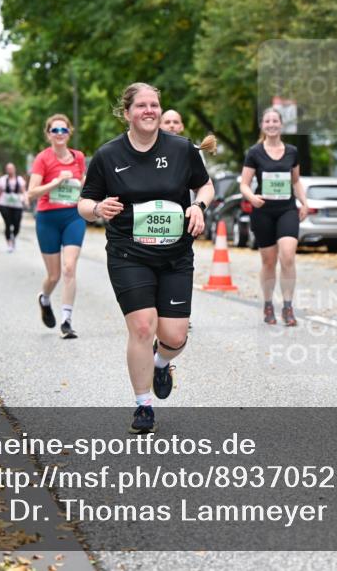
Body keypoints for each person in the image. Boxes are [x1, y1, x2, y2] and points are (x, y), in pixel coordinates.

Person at [78, 82, 213, 434]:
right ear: (127, 113)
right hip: (128, 253)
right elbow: (84, 203)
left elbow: (206, 185)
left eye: (155, 104)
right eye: (142, 105)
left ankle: (160, 362)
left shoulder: (182, 149)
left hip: (175, 255)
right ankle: (143, 406)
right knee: (141, 326)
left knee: (175, 336)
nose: (150, 110)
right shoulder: (108, 156)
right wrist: (97, 208)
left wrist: (198, 206)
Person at [240, 107, 309, 326]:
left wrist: (305, 203)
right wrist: (252, 198)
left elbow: (296, 180)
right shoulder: (254, 152)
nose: (271, 124)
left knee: (287, 256)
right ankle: (268, 304)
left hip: (287, 209)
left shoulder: (292, 152)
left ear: (281, 125)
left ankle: (288, 307)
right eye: (267, 121)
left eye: (275, 120)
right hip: (263, 212)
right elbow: (244, 184)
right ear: (263, 126)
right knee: (268, 262)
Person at [28, 114, 86, 339]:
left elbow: (83, 184)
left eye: (64, 130)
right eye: (55, 130)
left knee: (69, 267)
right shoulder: (43, 159)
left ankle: (66, 321)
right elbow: (31, 193)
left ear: (69, 132)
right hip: (48, 218)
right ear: (48, 134)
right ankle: (44, 298)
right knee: (54, 275)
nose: (59, 134)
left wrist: (82, 186)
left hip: (73, 215)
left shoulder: (78, 157)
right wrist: (56, 182)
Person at [0, 162, 28, 252]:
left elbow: (24, 191)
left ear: (14, 169)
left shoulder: (20, 179)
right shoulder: (2, 179)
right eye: (8, 168)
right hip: (4, 204)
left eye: (11, 168)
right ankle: (9, 243)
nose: (10, 170)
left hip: (17, 205)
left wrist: (26, 200)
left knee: (16, 224)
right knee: (7, 224)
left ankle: (13, 237)